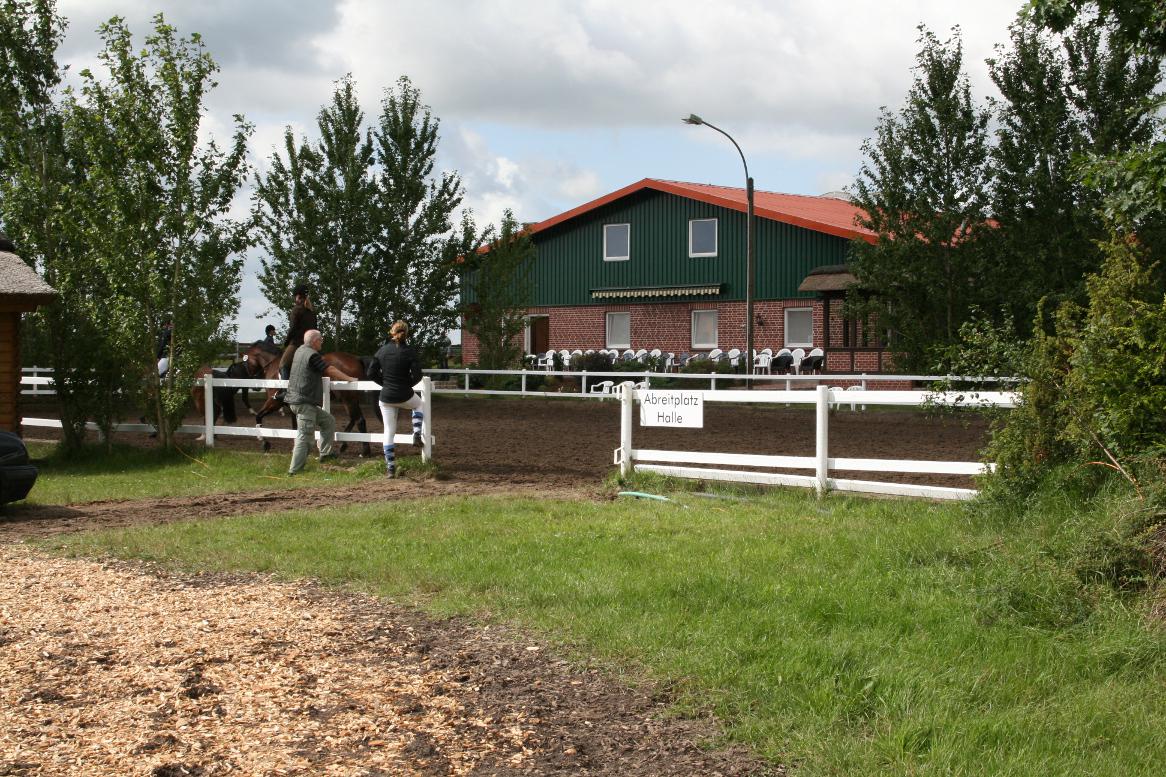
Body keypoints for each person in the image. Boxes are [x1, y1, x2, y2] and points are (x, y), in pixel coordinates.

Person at [284, 329, 358, 475]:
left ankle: (325, 454)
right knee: (305, 436)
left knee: (328, 421)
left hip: (299, 400)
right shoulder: (312, 355)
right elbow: (329, 369)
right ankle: (294, 471)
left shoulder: (299, 351)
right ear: (315, 341)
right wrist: (350, 379)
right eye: (321, 340)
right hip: (304, 402)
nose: (322, 342)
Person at [372, 320, 425, 477]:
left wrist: (384, 383)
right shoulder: (410, 351)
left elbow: (370, 373)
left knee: (388, 431)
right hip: (404, 394)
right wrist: (407, 385)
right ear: (406, 333)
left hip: (386, 396)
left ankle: (390, 468)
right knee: (419, 405)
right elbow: (418, 375)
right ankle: (416, 433)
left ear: (392, 332)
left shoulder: (382, 351)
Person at [276, 284, 318, 400]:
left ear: (297, 297)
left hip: (297, 343)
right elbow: (315, 329)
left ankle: (286, 391)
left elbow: (293, 328)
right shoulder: (311, 312)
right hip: (311, 345)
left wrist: (286, 342)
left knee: (283, 364)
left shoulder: (296, 310)